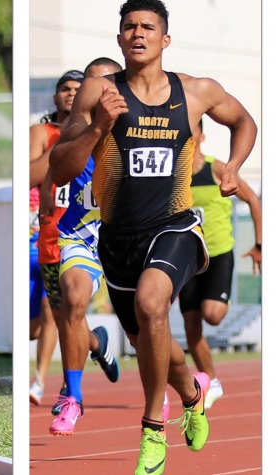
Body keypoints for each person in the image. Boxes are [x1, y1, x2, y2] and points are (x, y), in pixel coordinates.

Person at [49, 0, 257, 473]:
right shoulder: (97, 93)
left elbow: (244, 121)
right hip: (117, 239)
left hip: (176, 228)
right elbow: (61, 170)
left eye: (148, 27)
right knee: (151, 339)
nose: (137, 33)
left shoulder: (196, 91)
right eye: (129, 27)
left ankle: (151, 430)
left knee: (151, 303)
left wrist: (234, 167)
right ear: (119, 39)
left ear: (165, 39)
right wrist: (99, 126)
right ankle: (191, 392)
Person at [30, 69, 119, 419]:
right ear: (55, 98)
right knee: (64, 312)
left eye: (78, 89)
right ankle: (96, 344)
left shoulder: (116, 130)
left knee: (67, 311)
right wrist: (60, 155)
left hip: (105, 233)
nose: (72, 94)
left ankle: (63, 386)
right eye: (65, 89)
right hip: (58, 237)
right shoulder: (44, 133)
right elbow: (31, 174)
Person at [179, 118, 262, 409]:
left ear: (201, 136)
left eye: (191, 132)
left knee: (212, 315)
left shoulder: (216, 169)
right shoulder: (173, 177)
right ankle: (211, 381)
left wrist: (260, 245)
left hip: (218, 253)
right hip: (188, 256)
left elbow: (253, 199)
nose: (185, 138)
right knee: (191, 324)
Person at [28, 186, 58, 406]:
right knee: (31, 331)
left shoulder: (58, 177)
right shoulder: (28, 173)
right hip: (27, 255)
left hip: (51, 252)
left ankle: (39, 381)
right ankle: (94, 341)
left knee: (51, 313)